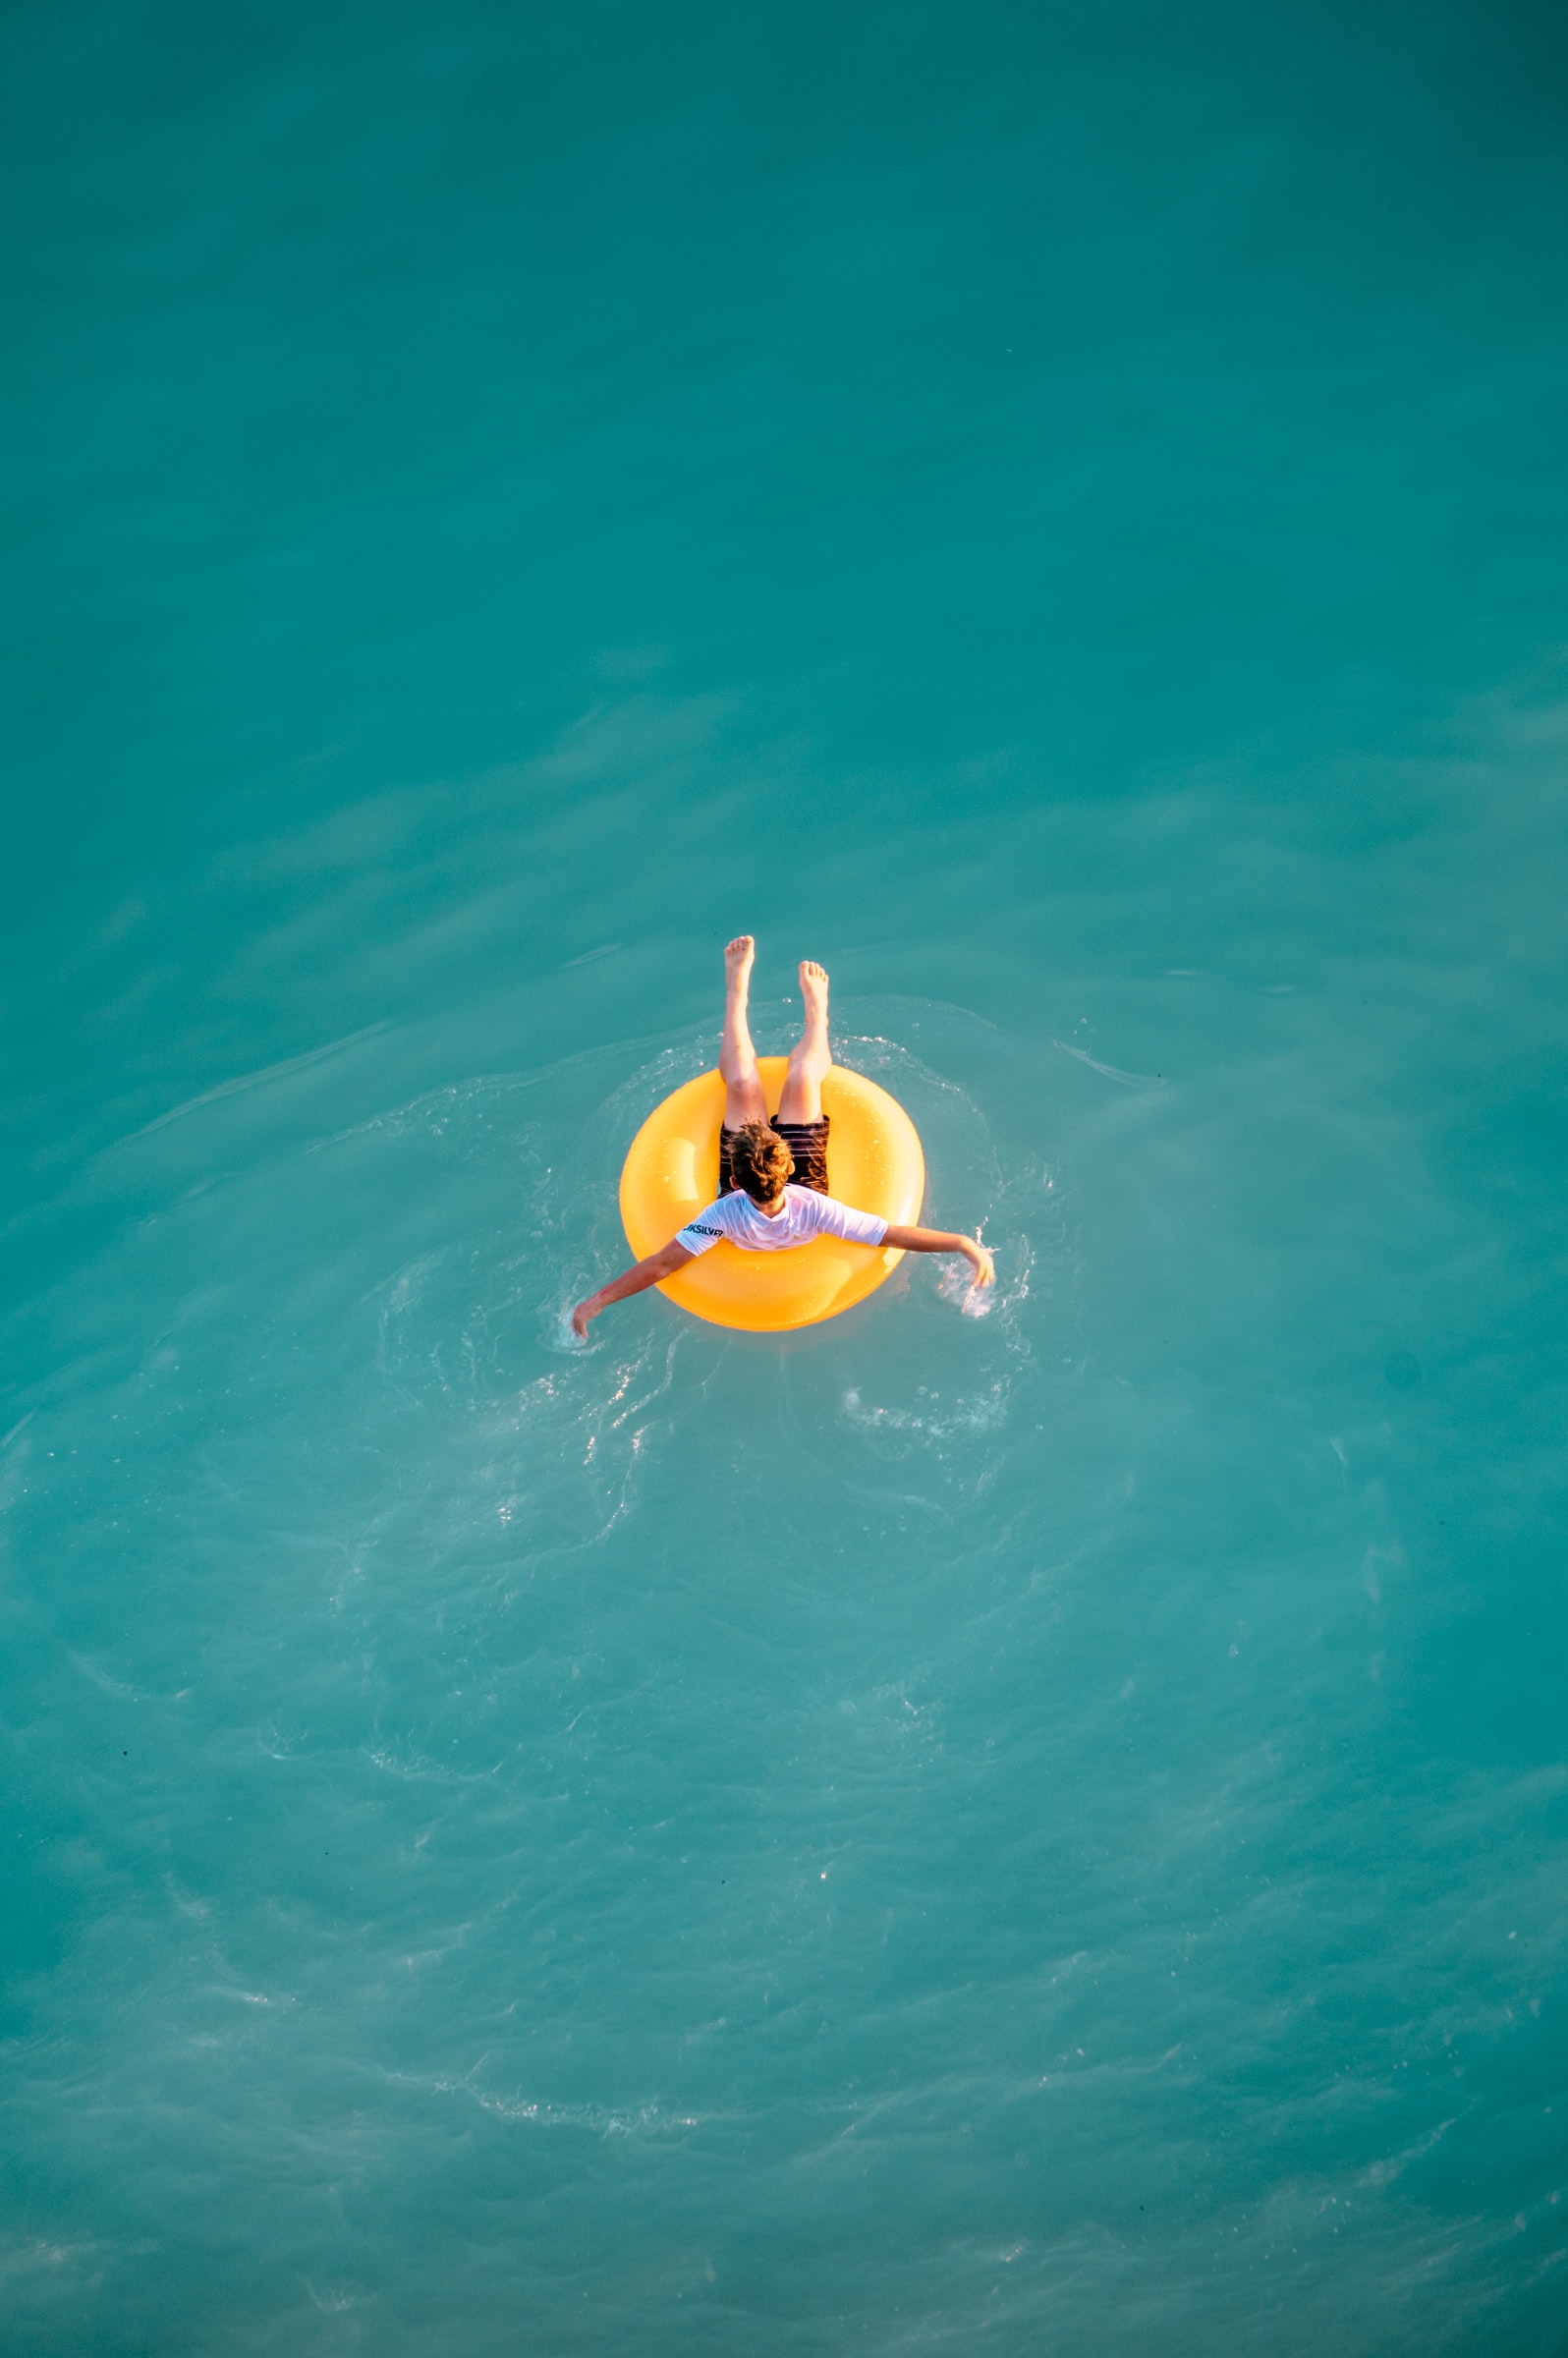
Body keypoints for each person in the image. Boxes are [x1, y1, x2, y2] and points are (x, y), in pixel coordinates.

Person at [571, 937, 994, 1336]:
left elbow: (661, 1265)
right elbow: (891, 1234)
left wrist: (597, 1302)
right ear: (788, 1161)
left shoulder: (721, 1215)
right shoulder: (817, 1207)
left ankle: (737, 993)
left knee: (741, 1083)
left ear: (732, 1182)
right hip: (806, 1182)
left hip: (768, 1184)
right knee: (802, 1078)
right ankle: (817, 1015)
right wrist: (961, 1243)